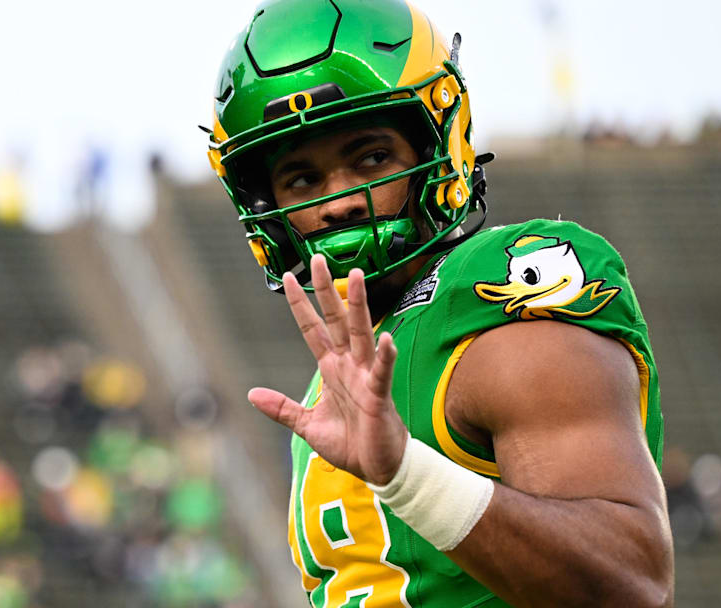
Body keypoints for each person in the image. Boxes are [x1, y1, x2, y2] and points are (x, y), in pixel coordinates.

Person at [204, 1, 674, 606]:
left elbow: (629, 582)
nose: (340, 201)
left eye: (371, 158)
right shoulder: (338, 383)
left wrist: (407, 474)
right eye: (301, 179)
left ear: (437, 144)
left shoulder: (498, 294)